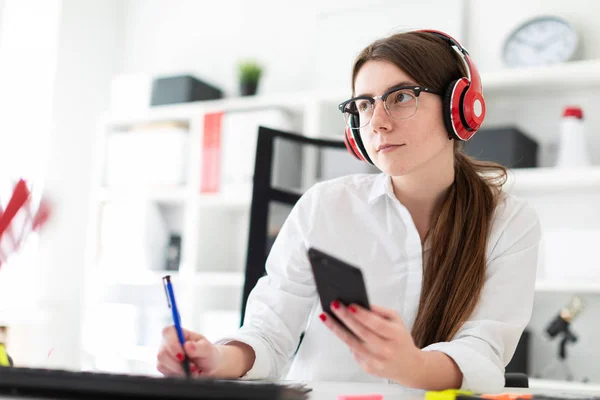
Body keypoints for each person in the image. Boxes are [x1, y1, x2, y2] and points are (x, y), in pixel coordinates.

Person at [157, 29, 541, 392]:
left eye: (401, 97)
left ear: (459, 107)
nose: (377, 123)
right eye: (364, 104)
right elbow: (269, 333)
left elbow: (484, 352)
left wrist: (411, 366)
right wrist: (216, 359)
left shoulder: (509, 222)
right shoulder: (323, 206)